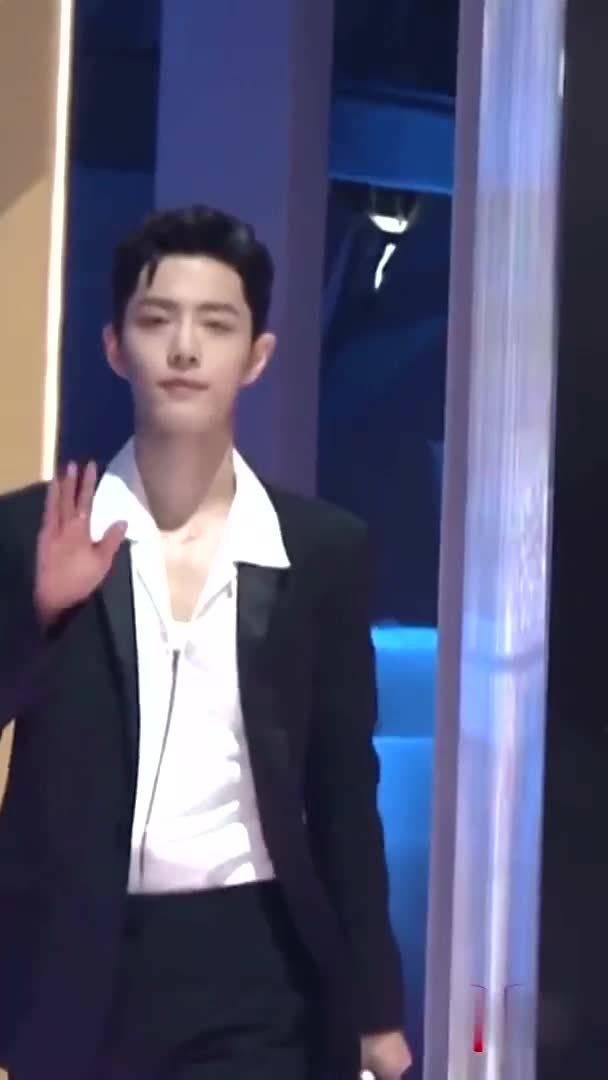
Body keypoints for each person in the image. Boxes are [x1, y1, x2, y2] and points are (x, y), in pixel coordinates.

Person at [0, 205, 412, 1079]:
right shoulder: (33, 531)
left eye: (216, 325)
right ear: (116, 347)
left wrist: (377, 1009)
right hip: (73, 963)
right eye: (158, 320)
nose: (185, 348)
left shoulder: (322, 551)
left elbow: (345, 792)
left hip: (254, 966)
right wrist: (37, 616)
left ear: (256, 356)